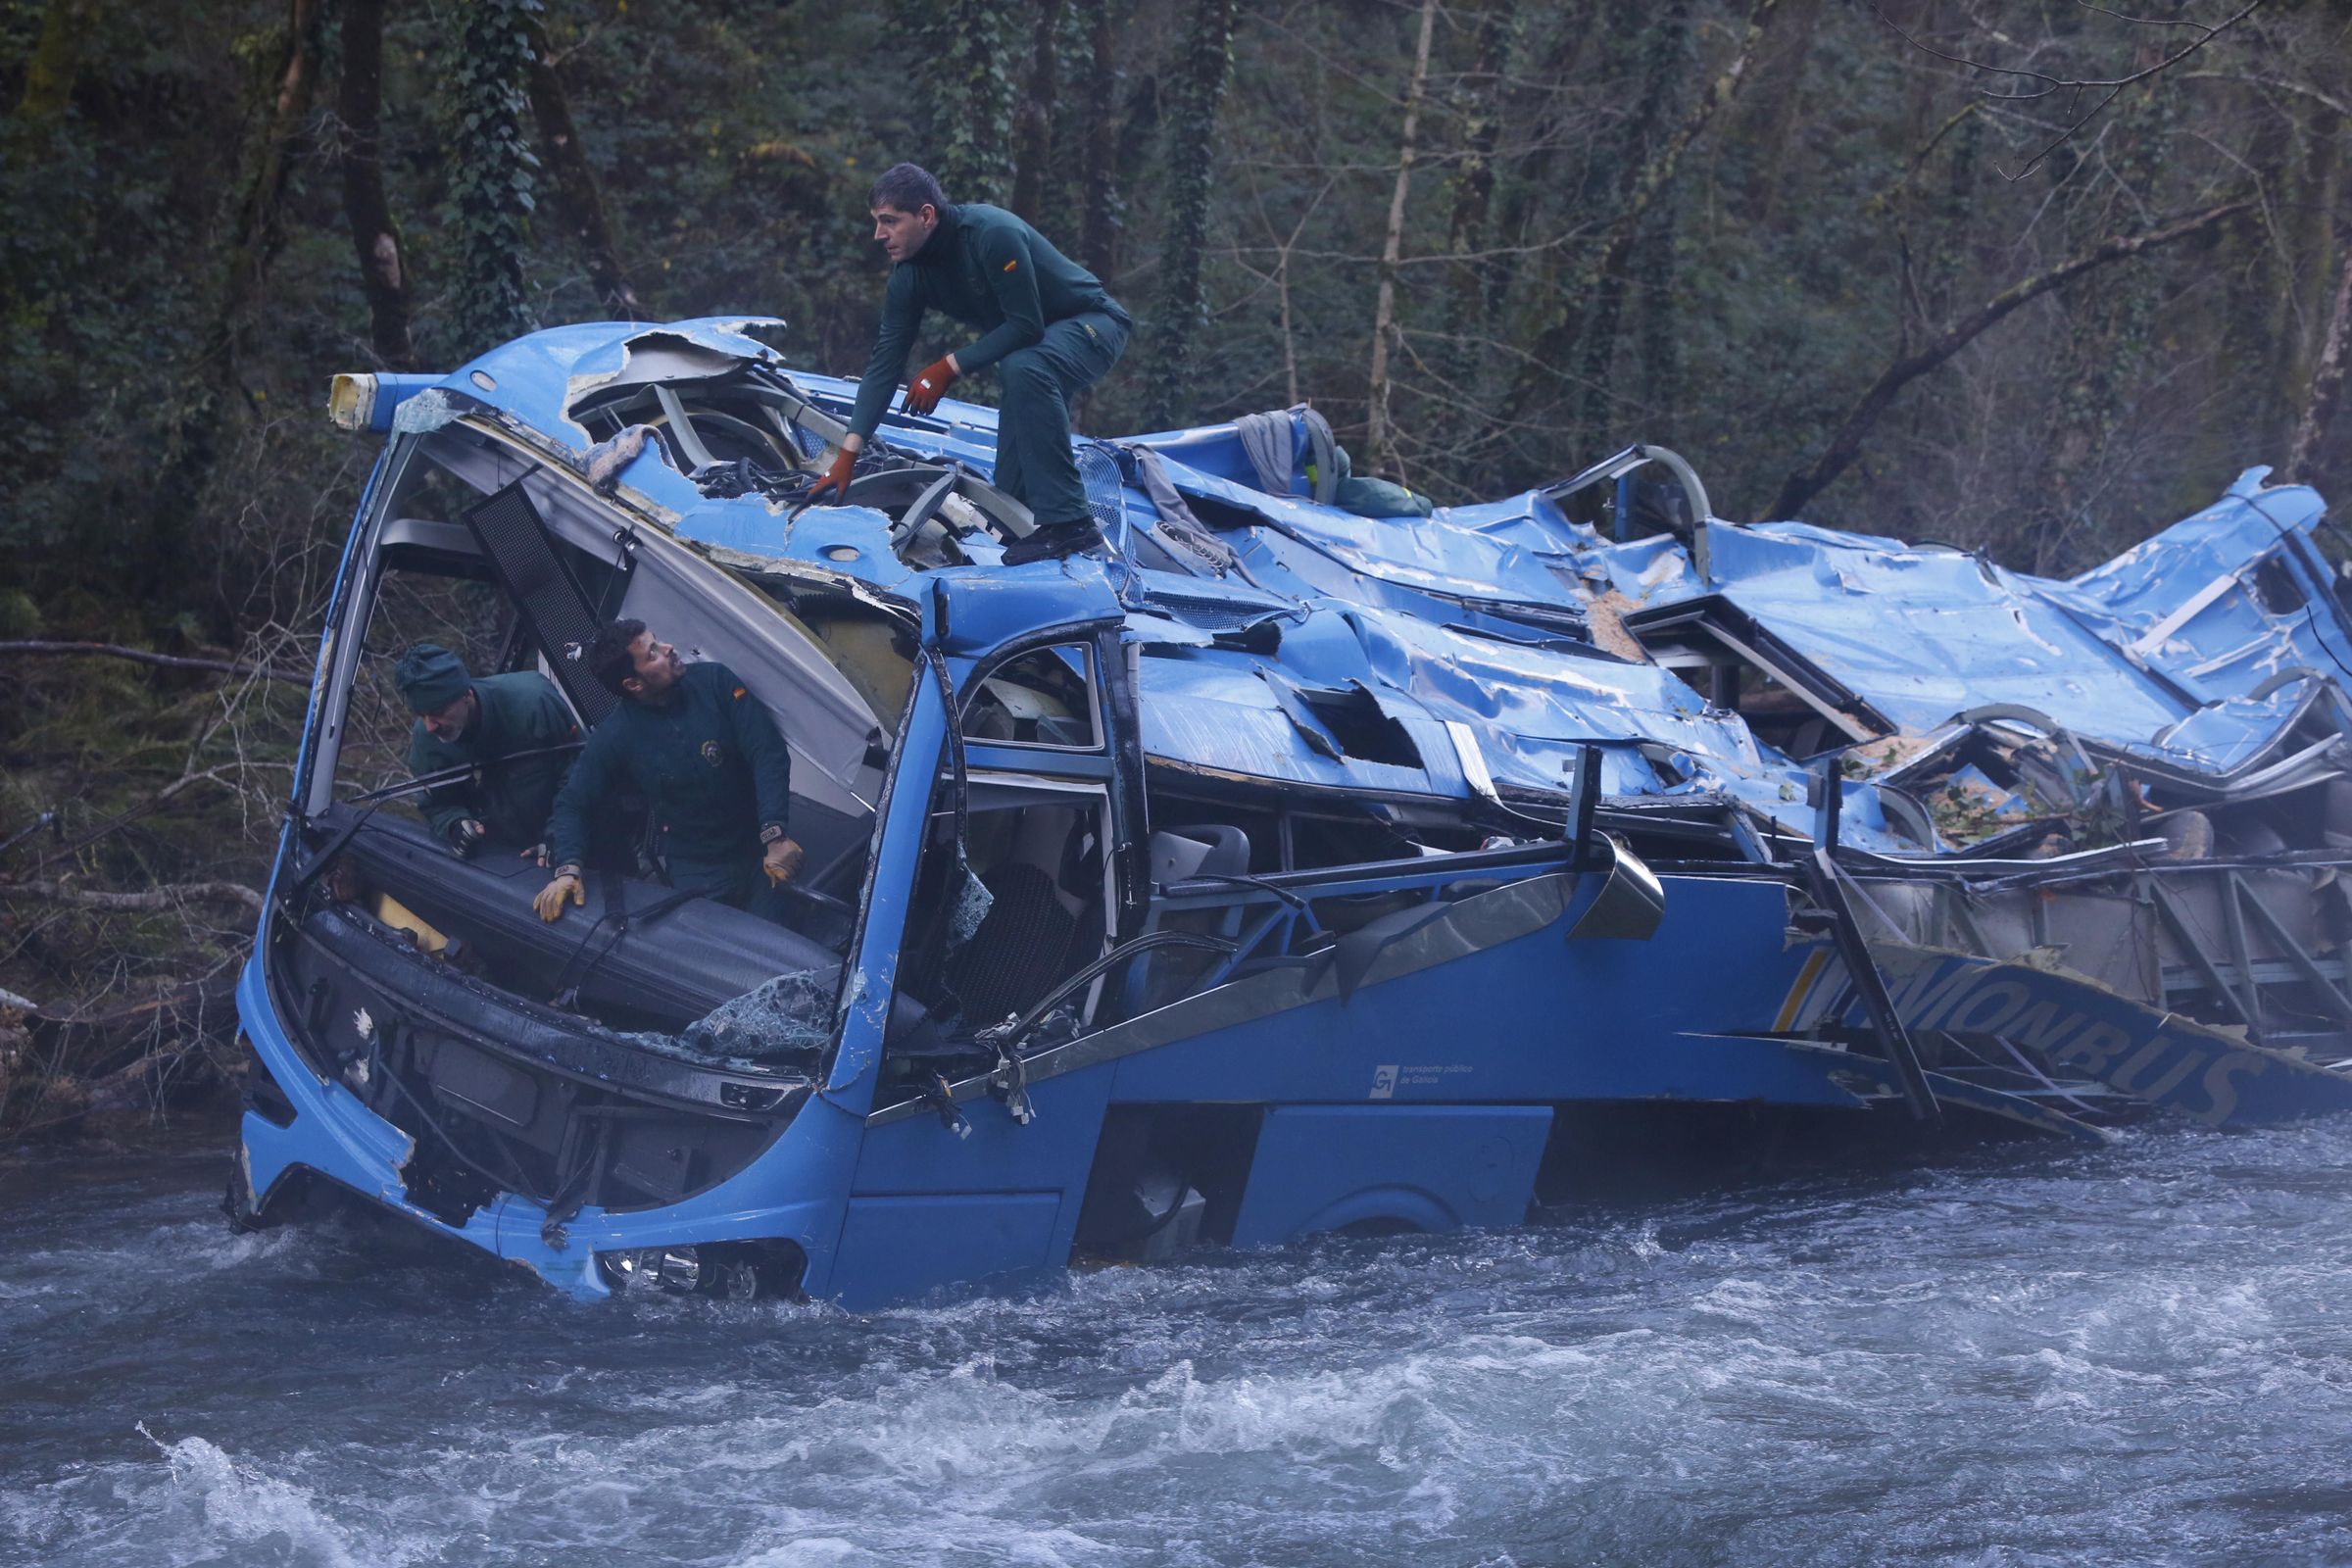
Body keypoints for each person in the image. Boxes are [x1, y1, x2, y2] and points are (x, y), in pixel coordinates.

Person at [809, 162, 1131, 564]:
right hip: (1033, 354)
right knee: (1010, 494)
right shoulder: (909, 277)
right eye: (876, 222)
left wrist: (946, 367)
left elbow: (1026, 325)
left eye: (889, 221)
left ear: (926, 215)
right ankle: (1054, 553)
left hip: (1093, 325)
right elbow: (884, 365)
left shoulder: (990, 233)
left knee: (1023, 366)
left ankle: (1074, 525)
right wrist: (846, 458)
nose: (879, 235)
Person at [534, 619, 805, 922]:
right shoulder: (616, 736)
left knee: (779, 943)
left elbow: (767, 753)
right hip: (698, 868)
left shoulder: (716, 683)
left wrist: (775, 833)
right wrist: (567, 868)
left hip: (760, 849)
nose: (669, 649)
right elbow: (573, 802)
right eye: (653, 653)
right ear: (634, 684)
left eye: (657, 641)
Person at [393, 643, 579, 859]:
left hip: (576, 847)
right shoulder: (428, 741)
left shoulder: (534, 703)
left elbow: (581, 775)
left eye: (438, 712)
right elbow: (437, 805)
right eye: (421, 715)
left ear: (466, 695)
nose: (430, 726)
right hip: (500, 865)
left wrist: (561, 839)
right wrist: (455, 825)